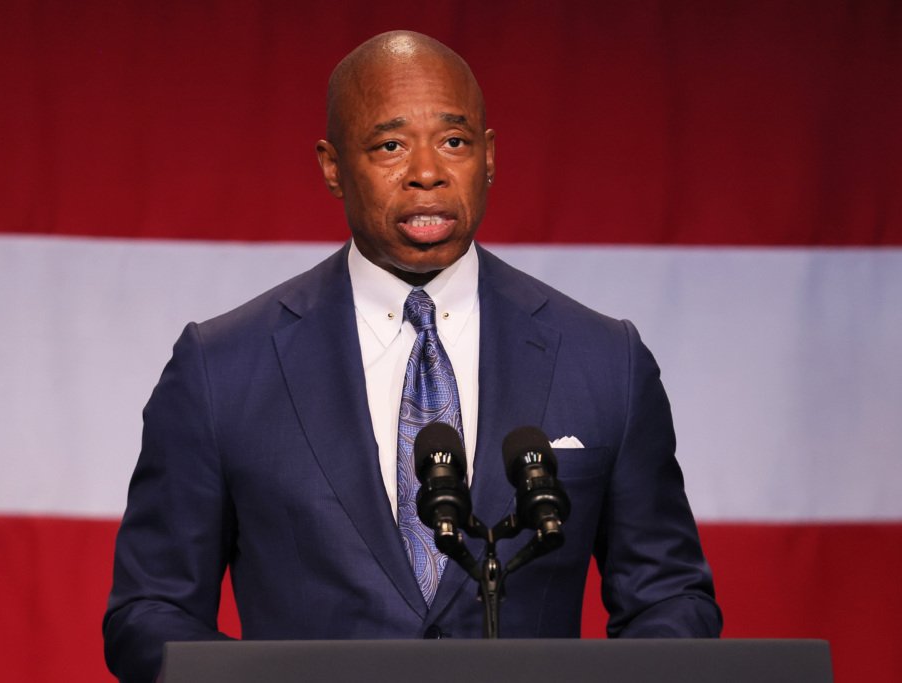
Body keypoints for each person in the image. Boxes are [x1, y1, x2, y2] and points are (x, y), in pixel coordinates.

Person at [103, 30, 721, 683]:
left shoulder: (602, 359)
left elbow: (671, 599)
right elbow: (150, 612)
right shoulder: (222, 366)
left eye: (454, 142)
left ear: (488, 156)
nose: (427, 171)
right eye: (390, 146)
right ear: (332, 166)